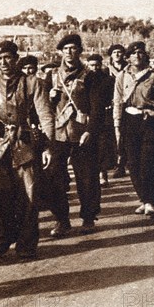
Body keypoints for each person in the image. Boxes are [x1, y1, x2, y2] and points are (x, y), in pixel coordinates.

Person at [0, 40, 55, 258]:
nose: (4, 62)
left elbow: (46, 115)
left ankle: (26, 244)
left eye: (8, 57)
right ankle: (4, 236)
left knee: (28, 196)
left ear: (16, 59)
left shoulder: (32, 83)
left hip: (24, 144)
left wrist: (48, 146)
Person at [45, 34, 104, 236]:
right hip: (58, 134)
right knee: (54, 177)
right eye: (66, 49)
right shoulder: (52, 76)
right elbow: (43, 108)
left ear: (79, 51)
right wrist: (51, 98)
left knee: (87, 177)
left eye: (73, 48)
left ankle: (88, 217)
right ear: (60, 52)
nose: (69, 52)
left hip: (81, 133)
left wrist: (90, 131)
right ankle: (61, 219)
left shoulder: (90, 75)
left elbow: (97, 108)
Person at [113, 41, 154, 216]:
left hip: (148, 121)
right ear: (127, 57)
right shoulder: (122, 76)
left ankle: (150, 200)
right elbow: (117, 102)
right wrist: (117, 125)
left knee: (148, 162)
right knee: (132, 164)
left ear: (146, 56)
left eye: (141, 52)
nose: (137, 56)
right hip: (129, 121)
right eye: (133, 53)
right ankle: (143, 198)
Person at [86, 54, 116, 187]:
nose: (95, 68)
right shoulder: (85, 80)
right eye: (92, 65)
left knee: (103, 146)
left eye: (97, 65)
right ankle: (93, 174)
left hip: (104, 117)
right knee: (90, 146)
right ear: (88, 65)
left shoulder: (108, 80)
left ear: (101, 64)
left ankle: (102, 174)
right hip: (88, 116)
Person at [107, 44, 128, 179]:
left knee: (125, 136)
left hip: (126, 106)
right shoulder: (105, 70)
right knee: (114, 136)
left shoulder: (129, 70)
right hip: (110, 107)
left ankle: (123, 163)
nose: (117, 55)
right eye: (114, 52)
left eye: (119, 52)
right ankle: (116, 162)